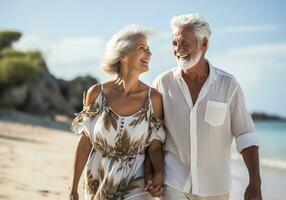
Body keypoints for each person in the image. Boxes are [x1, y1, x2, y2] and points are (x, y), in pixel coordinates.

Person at [150, 13, 262, 200]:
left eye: (185, 43)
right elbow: (152, 135)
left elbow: (245, 135)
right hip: (174, 182)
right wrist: (152, 173)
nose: (178, 49)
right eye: (174, 43)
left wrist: (255, 182)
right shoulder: (162, 83)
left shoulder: (228, 85)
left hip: (215, 185)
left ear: (204, 44)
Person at [69, 25, 165, 200]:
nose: (149, 54)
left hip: (136, 180)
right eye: (142, 48)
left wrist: (159, 173)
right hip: (97, 177)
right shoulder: (97, 94)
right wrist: (73, 186)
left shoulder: (154, 98)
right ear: (123, 55)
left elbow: (155, 146)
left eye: (149, 49)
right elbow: (85, 142)